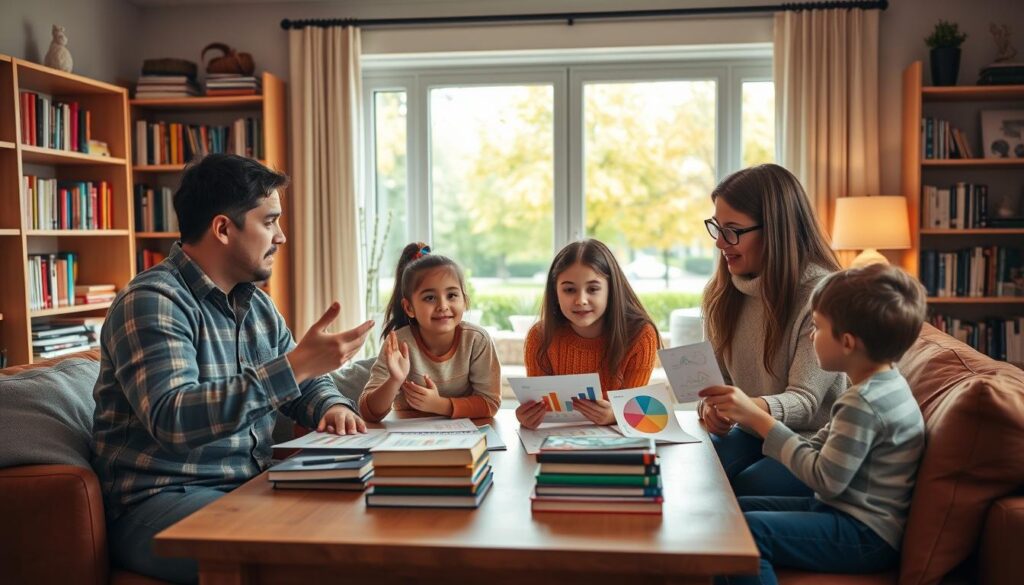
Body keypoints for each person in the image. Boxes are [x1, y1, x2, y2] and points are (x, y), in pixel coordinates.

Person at [92, 154, 374, 584]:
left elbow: (302, 385)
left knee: (369, 522)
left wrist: (330, 406)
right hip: (158, 501)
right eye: (270, 221)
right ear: (223, 228)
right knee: (316, 558)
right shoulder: (152, 301)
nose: (282, 236)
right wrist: (295, 365)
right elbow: (174, 418)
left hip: (248, 486)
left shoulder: (256, 304)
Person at [700, 263, 928, 585]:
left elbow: (825, 479)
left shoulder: (863, 403)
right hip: (842, 512)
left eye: (818, 327)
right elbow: (821, 447)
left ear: (847, 342)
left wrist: (760, 420)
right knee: (731, 511)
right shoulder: (882, 385)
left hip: (864, 534)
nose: (811, 334)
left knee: (747, 531)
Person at [699, 164, 845, 497]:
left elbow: (806, 402)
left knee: (746, 487)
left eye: (733, 230)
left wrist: (743, 408)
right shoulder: (722, 295)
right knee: (691, 470)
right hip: (750, 432)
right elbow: (715, 386)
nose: (721, 242)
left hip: (811, 441)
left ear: (777, 231)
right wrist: (711, 409)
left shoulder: (822, 295)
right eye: (717, 228)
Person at [516, 239, 661, 430]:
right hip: (557, 443)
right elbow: (539, 408)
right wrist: (527, 416)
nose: (581, 300)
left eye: (593, 289)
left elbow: (636, 411)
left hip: (619, 448)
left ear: (611, 290)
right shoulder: (540, 336)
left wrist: (614, 415)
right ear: (555, 293)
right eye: (569, 290)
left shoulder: (640, 336)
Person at [358, 243, 501, 422]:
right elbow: (368, 412)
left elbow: (490, 403)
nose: (443, 306)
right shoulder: (398, 343)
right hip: (408, 436)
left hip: (464, 435)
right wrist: (394, 380)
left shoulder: (477, 341)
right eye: (430, 298)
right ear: (409, 307)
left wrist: (439, 405)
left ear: (464, 301)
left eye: (452, 295)